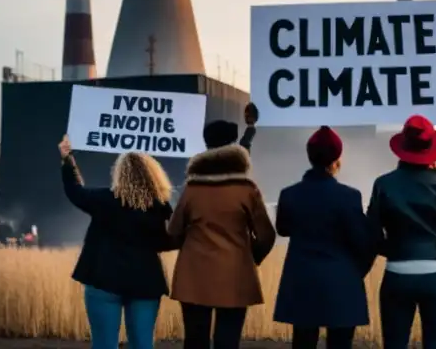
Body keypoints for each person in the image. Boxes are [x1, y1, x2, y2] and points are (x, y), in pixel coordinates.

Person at [58, 135, 175, 349]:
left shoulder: (104, 200)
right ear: (153, 175)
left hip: (103, 281)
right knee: (142, 345)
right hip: (145, 284)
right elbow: (166, 242)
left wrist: (68, 160)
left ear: (120, 174)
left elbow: (75, 192)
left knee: (104, 345)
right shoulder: (160, 208)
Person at [367, 115, 436, 349]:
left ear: (403, 147)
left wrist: (392, 250)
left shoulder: (384, 184)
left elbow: (372, 233)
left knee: (394, 343)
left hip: (397, 272)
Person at [168, 128, 277, 349]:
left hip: (194, 276)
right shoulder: (247, 189)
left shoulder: (192, 188)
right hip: (236, 275)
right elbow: (266, 235)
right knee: (228, 341)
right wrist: (250, 256)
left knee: (195, 341)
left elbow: (173, 232)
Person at [274, 126, 373, 349]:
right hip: (341, 280)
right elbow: (362, 242)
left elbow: (283, 229)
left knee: (303, 342)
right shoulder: (349, 196)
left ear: (310, 157)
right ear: (336, 159)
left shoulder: (289, 194)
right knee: (340, 343)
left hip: (301, 280)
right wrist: (356, 273)